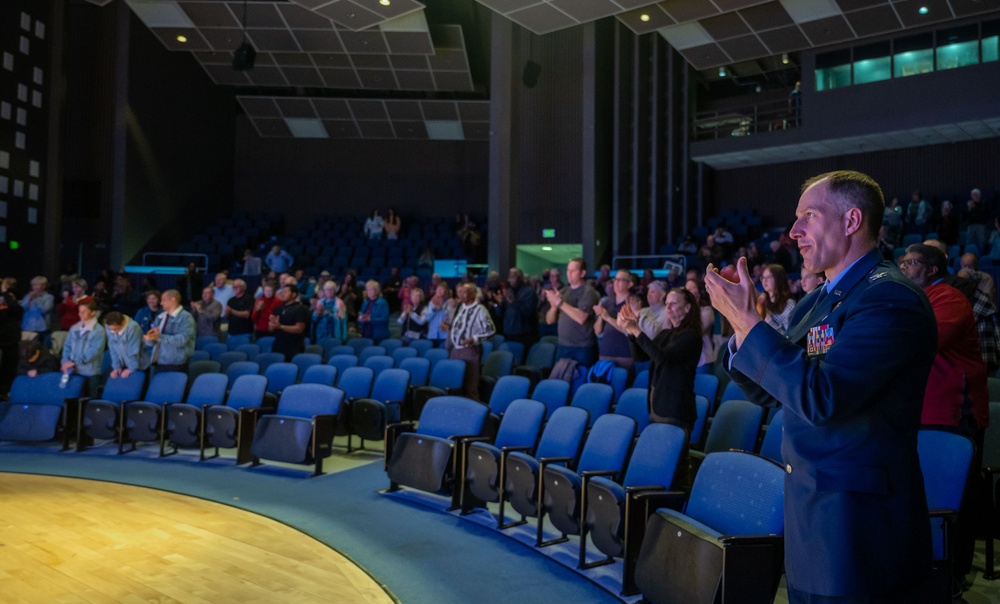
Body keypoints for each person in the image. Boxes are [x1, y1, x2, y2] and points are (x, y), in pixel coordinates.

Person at [705, 170, 936, 603]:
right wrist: (741, 329)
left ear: (851, 221)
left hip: (859, 526)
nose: (793, 232)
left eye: (808, 216)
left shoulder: (890, 299)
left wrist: (751, 323)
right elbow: (774, 389)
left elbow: (821, 397)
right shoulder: (816, 301)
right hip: (810, 512)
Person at [899, 244, 988, 431]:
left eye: (912, 262)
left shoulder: (950, 298)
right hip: (923, 408)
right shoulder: (913, 298)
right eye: (903, 262)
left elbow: (924, 343)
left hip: (951, 411)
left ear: (932, 270)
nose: (903, 266)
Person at [617, 287, 701, 427]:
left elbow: (663, 359)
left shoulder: (691, 336)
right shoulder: (666, 333)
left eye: (673, 303)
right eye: (666, 303)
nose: (667, 307)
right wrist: (631, 332)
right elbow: (640, 356)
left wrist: (636, 329)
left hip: (676, 408)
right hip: (657, 402)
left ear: (687, 308)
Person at [543, 258, 600, 367]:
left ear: (582, 273)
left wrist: (559, 302)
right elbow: (549, 320)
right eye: (568, 270)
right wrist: (554, 307)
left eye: (573, 271)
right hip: (563, 345)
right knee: (560, 380)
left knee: (581, 381)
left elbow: (581, 318)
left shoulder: (588, 292)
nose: (569, 274)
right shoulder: (564, 291)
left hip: (583, 347)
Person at [447, 283, 496, 401]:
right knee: (455, 385)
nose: (461, 294)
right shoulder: (461, 307)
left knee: (470, 386)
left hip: (469, 350)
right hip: (455, 350)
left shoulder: (480, 309)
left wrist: (474, 339)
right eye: (460, 291)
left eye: (464, 292)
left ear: (473, 294)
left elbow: (491, 330)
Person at [61, 297, 107, 396]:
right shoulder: (74, 328)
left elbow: (94, 351)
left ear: (93, 312)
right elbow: (67, 346)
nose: (80, 314)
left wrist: (73, 362)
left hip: (89, 373)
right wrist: (65, 362)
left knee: (89, 400)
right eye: (79, 311)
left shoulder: (99, 330)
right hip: (73, 370)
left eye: (84, 312)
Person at [144, 289, 196, 374]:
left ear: (173, 300)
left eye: (163, 300)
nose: (161, 303)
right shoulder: (160, 317)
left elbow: (182, 340)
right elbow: (154, 341)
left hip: (176, 363)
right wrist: (150, 338)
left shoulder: (186, 318)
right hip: (159, 361)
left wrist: (159, 337)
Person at [593, 269, 634, 370]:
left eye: (620, 280)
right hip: (605, 353)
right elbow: (597, 331)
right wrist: (601, 316)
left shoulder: (633, 302)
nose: (616, 282)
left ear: (629, 284)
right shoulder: (607, 301)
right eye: (615, 279)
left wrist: (607, 317)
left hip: (624, 355)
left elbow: (629, 330)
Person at [104, 310, 151, 378]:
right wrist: (116, 367)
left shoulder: (133, 328)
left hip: (139, 365)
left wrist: (131, 368)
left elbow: (133, 351)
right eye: (111, 329)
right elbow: (112, 348)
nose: (113, 331)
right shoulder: (109, 327)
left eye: (116, 329)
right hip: (124, 364)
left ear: (123, 323)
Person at [269, 283, 310, 361]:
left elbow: (299, 329)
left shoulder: (300, 309)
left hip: (294, 347)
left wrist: (280, 326)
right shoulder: (278, 309)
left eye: (285, 292)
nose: (282, 293)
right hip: (278, 346)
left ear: (294, 294)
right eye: (282, 291)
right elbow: (270, 330)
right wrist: (272, 325)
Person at [500, 268, 538, 347]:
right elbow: (505, 312)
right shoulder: (509, 291)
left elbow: (528, 311)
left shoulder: (529, 291)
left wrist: (514, 302)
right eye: (509, 277)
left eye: (512, 277)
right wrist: (499, 304)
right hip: (509, 332)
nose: (510, 280)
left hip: (523, 334)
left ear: (520, 278)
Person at [756, 264, 796, 336]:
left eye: (768, 277)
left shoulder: (789, 304)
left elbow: (788, 336)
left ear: (778, 279)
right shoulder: (761, 302)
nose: (764, 280)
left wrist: (769, 320)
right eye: (763, 277)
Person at [21, 276, 53, 342]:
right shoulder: (28, 296)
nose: (34, 287)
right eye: (33, 285)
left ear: (44, 286)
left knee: (41, 348)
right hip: (28, 327)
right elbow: (22, 309)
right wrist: (28, 299)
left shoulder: (49, 297)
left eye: (37, 285)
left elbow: (44, 310)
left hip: (42, 328)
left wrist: (36, 299)